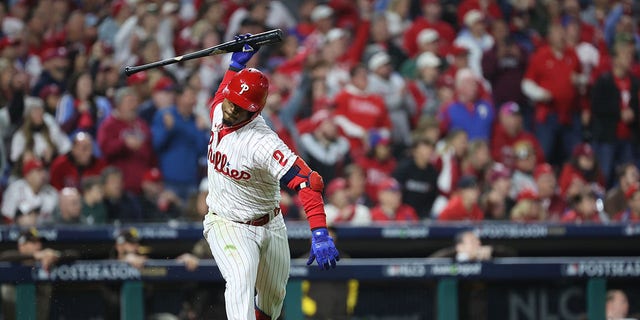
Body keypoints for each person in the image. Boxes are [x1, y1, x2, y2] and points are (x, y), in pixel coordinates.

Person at [202, 35, 339, 320]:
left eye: (237, 106)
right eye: (230, 101)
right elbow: (220, 97)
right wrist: (235, 65)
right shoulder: (222, 107)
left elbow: (308, 181)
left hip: (270, 221)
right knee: (240, 279)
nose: (228, 109)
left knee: (273, 298)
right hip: (228, 222)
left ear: (254, 111)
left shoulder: (262, 143)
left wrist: (320, 231)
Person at [392, 137, 439, 219]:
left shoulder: (433, 173)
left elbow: (432, 196)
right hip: (402, 212)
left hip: (423, 214)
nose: (427, 153)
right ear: (415, 152)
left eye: (429, 150)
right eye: (424, 150)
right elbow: (395, 191)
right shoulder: (404, 169)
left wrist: (424, 213)